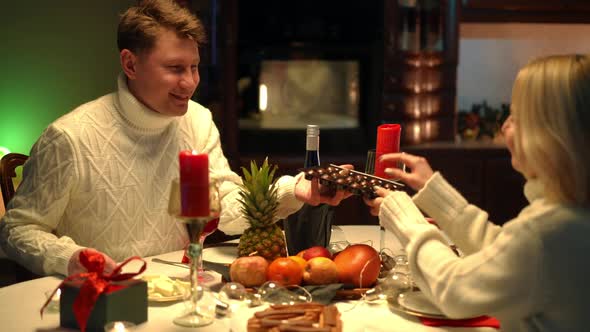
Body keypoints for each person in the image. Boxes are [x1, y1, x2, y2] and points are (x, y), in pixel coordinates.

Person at [0, 0, 348, 278]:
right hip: (102, 300)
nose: (191, 82)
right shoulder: (69, 138)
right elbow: (17, 230)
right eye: (175, 68)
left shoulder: (197, 119)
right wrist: (71, 257)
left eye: (194, 67)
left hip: (179, 288)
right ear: (131, 64)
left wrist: (294, 190)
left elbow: (225, 207)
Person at [365, 54, 590, 331]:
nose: (504, 125)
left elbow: (455, 288)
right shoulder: (571, 215)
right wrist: (434, 193)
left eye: (517, 117)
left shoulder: (546, 233)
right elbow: (502, 251)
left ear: (551, 136)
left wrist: (405, 216)